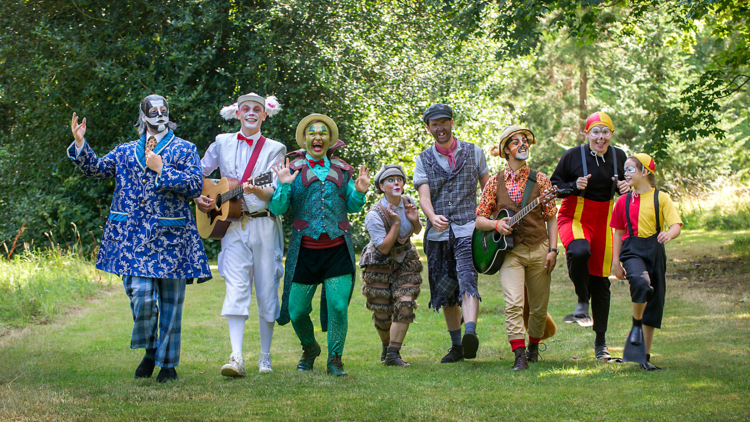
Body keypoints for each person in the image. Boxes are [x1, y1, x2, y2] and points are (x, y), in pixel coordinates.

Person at [67, 94, 211, 382]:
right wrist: (81, 142)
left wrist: (162, 169)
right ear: (142, 116)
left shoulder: (185, 149)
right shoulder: (123, 152)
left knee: (171, 304)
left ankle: (167, 365)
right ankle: (151, 348)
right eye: (153, 111)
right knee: (140, 297)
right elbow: (96, 168)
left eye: (163, 111)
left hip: (172, 238)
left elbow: (196, 184)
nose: (159, 115)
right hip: (131, 239)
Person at [270, 114, 370, 376]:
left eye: (323, 133)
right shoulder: (291, 169)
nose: (317, 137)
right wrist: (282, 185)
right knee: (297, 310)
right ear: (305, 139)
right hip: (304, 252)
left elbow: (351, 207)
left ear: (329, 139)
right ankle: (309, 348)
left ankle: (335, 359)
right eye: (312, 133)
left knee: (338, 305)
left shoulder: (342, 170)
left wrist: (359, 190)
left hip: (337, 250)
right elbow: (278, 208)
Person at [195, 93, 285, 376]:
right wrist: (201, 195)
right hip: (231, 226)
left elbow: (273, 190)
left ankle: (265, 356)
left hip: (264, 225)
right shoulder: (222, 141)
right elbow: (198, 172)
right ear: (237, 113)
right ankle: (236, 357)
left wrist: (256, 189)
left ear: (264, 115)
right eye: (245, 108)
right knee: (235, 286)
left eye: (256, 109)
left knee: (268, 287)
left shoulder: (276, 148)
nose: (250, 113)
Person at [475, 126, 559, 370]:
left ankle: (533, 345)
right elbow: (480, 219)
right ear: (506, 150)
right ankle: (519, 354)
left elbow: (551, 217)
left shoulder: (542, 179)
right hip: (509, 253)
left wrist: (553, 250)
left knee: (539, 306)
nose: (522, 145)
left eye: (525, 141)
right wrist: (496, 224)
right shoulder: (494, 183)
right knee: (513, 303)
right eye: (516, 142)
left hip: (539, 248)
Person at [550, 111, 629, 362]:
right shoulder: (572, 155)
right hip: (574, 215)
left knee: (601, 283)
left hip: (605, 219)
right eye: (596, 131)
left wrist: (627, 187)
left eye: (605, 132)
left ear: (611, 134)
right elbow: (554, 187)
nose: (601, 137)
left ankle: (601, 344)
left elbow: (634, 183)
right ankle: (582, 300)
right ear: (587, 134)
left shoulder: (619, 156)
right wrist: (574, 186)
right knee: (578, 251)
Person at [414, 104, 490, 362]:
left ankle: (470, 332)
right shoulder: (422, 159)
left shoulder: (474, 152)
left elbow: (488, 191)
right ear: (428, 128)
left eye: (443, 122)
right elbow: (424, 196)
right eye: (434, 124)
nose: (439, 128)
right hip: (438, 235)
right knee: (446, 291)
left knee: (467, 278)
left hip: (468, 229)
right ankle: (458, 346)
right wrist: (432, 216)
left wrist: (488, 221)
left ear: (451, 123)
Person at [611, 154, 682, 371]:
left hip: (655, 250)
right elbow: (618, 232)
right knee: (641, 284)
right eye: (625, 170)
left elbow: (676, 224)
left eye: (631, 169)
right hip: (632, 250)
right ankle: (635, 324)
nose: (626, 173)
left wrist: (669, 234)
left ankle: (643, 357)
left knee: (655, 300)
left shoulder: (662, 198)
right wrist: (616, 262)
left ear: (644, 172)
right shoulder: (622, 201)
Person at [359, 164, 423, 367]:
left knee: (405, 303)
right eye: (390, 179)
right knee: (382, 311)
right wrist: (395, 223)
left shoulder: (409, 202)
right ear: (381, 186)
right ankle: (387, 347)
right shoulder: (374, 214)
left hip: (405, 258)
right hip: (379, 262)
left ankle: (393, 355)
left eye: (399, 179)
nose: (396, 182)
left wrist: (414, 220)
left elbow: (416, 230)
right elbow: (384, 248)